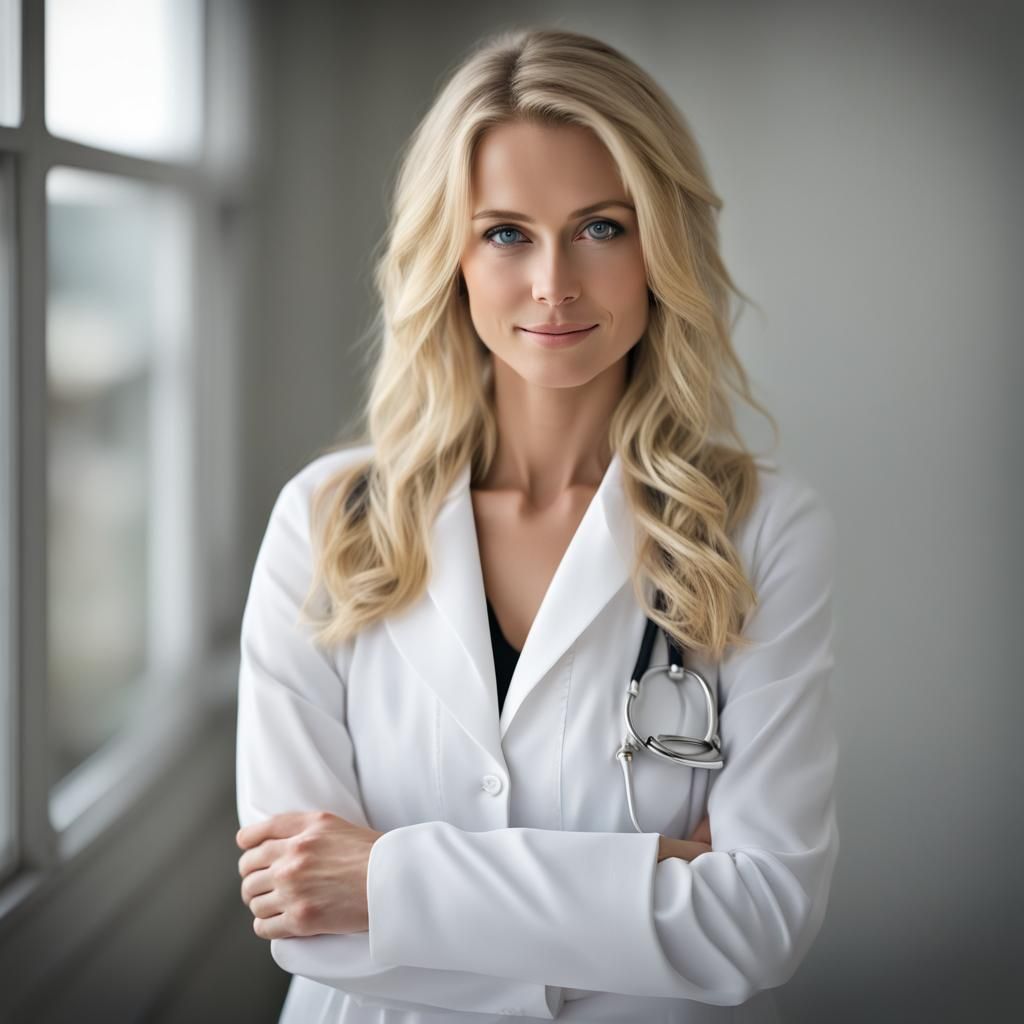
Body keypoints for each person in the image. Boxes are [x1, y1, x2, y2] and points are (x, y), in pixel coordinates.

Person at [234, 25, 839, 1024]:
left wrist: (385, 881)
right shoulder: (326, 519)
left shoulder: (762, 529)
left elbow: (758, 922)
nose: (554, 282)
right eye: (507, 233)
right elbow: (302, 912)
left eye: (600, 227)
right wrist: (643, 894)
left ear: (661, 245)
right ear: (452, 256)